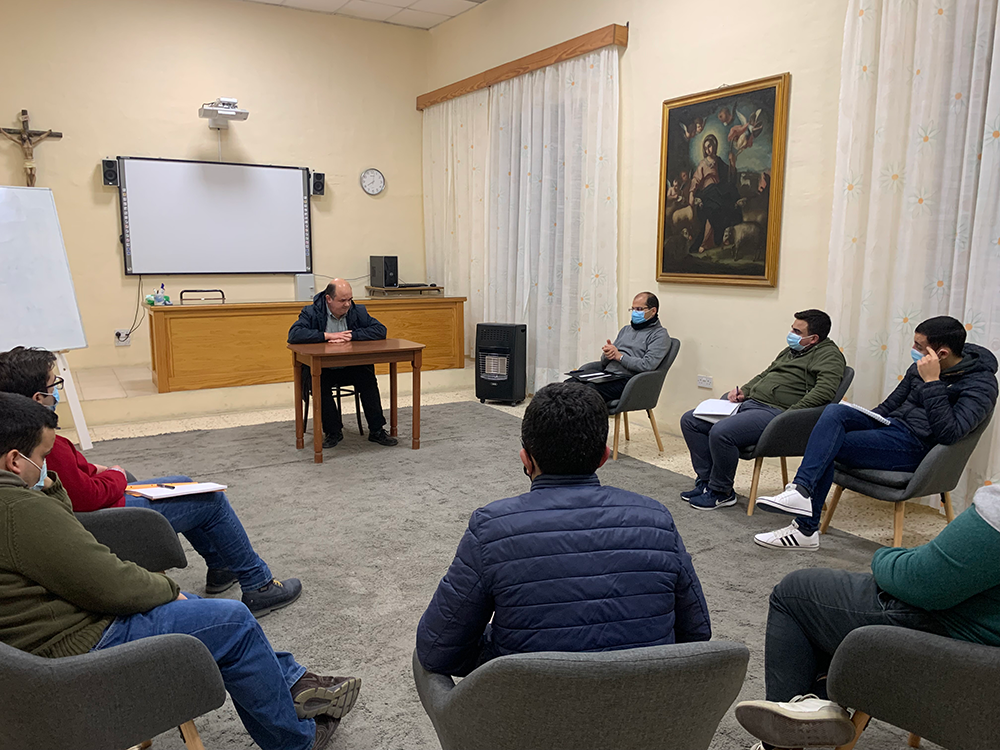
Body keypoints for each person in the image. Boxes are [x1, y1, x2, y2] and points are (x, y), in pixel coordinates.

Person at [0, 393, 361, 750]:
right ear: (15, 461)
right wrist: (168, 590)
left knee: (204, 611)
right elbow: (109, 583)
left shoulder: (18, 505)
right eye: (43, 458)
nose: (47, 467)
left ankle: (294, 681)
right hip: (79, 646)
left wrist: (47, 489)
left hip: (43, 645)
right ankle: (296, 742)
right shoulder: (19, 510)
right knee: (233, 621)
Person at [415, 382, 710, 677]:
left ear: (526, 460)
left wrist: (498, 653)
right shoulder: (657, 518)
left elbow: (437, 650)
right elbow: (696, 633)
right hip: (645, 700)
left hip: (528, 701)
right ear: (604, 457)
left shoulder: (491, 528)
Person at [0, 347, 300, 618]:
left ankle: (221, 567)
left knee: (185, 485)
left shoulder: (15, 434)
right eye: (54, 384)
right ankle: (258, 585)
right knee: (210, 499)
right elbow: (87, 497)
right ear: (38, 398)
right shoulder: (45, 442)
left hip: (100, 508)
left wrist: (100, 472)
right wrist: (116, 474)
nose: (58, 390)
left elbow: (75, 478)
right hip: (104, 516)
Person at [734, 483, 1000, 750]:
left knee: (795, 594)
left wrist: (883, 555)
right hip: (982, 649)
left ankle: (778, 744)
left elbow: (921, 582)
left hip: (950, 641)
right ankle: (820, 697)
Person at [754, 316, 998, 551]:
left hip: (916, 447)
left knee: (828, 445)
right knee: (835, 413)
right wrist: (860, 420)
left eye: (918, 346)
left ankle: (805, 529)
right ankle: (801, 491)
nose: (913, 350)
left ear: (941, 354)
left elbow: (949, 434)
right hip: (890, 428)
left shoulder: (980, 385)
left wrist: (933, 382)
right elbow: (889, 406)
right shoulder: (919, 367)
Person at [679, 310, 845, 511]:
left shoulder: (830, 356)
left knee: (722, 431)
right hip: (751, 404)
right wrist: (744, 391)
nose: (791, 334)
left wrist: (792, 413)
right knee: (690, 420)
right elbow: (765, 374)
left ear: (814, 338)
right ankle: (706, 482)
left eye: (797, 331)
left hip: (777, 413)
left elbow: (825, 392)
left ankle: (721, 492)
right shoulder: (791, 351)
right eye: (792, 329)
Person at [287, 279, 398, 449]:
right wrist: (327, 336)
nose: (347, 304)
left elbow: (380, 330)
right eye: (342, 300)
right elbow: (294, 334)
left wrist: (353, 335)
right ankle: (333, 432)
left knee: (367, 377)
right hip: (323, 368)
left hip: (350, 367)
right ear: (328, 299)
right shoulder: (311, 312)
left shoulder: (357, 311)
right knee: (319, 383)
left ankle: (377, 430)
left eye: (350, 299)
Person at [569, 292, 672, 404]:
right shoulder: (626, 330)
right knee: (568, 385)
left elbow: (647, 365)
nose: (634, 313)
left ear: (653, 311)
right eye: (632, 309)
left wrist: (620, 357)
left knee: (587, 392)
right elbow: (604, 362)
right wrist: (608, 355)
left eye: (639, 309)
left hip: (628, 380)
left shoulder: (659, 335)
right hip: (608, 375)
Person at [688, 133, 742, 252]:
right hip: (707, 192)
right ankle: (705, 242)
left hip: (719, 192)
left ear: (715, 146)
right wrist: (691, 193)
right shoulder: (703, 164)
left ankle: (718, 240)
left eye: (710, 146)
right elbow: (696, 179)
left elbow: (729, 178)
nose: (708, 149)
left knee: (726, 206)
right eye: (706, 147)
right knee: (712, 207)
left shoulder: (719, 161)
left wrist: (732, 163)